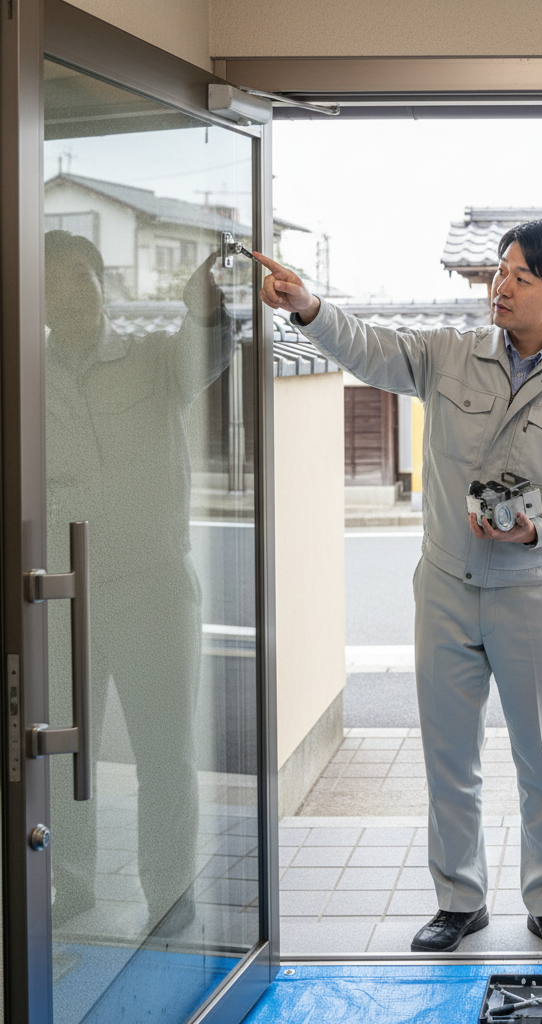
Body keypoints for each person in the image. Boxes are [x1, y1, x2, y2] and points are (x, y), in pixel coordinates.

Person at [254, 219, 542, 953]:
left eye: (521, 275)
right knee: (448, 756)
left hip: (530, 592)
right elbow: (369, 348)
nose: (502, 284)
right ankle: (459, 900)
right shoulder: (447, 353)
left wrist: (539, 529)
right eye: (501, 269)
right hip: (446, 589)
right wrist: (306, 305)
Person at [44, 230, 237, 939]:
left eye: (78, 275)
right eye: (51, 280)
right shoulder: (24, 372)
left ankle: (170, 889)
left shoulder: (154, 358)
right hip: (60, 593)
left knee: (166, 752)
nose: (66, 290)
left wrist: (208, 312)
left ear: (102, 283)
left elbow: (209, 352)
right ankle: (70, 881)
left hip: (153, 583)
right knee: (66, 751)